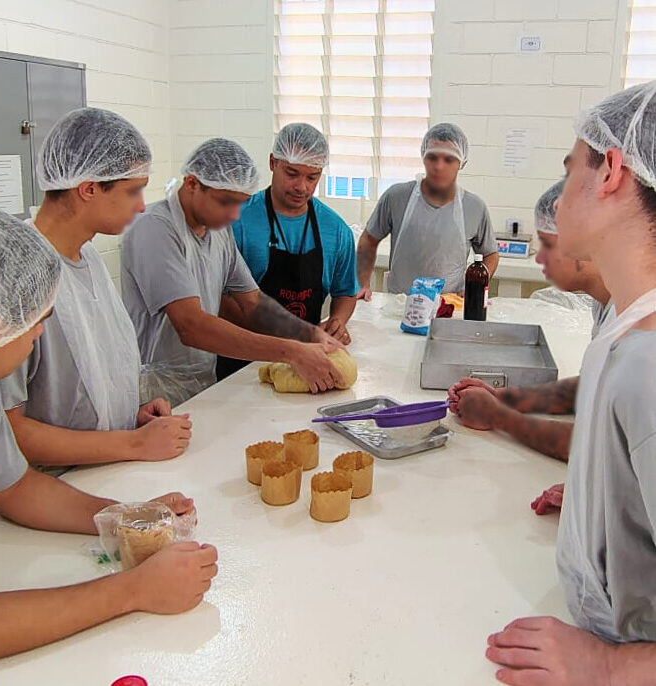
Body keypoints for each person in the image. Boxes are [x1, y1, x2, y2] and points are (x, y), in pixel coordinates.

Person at [0, 204, 217, 667]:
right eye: (35, 321)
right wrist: (130, 591)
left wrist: (129, 517)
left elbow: (14, 487)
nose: (41, 331)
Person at [487, 81, 656, 685]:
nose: (557, 201)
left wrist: (608, 666)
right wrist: (602, 506)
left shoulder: (649, 361)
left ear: (610, 171)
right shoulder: (628, 327)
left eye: (570, 167)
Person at [0, 108, 192, 468]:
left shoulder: (88, 257)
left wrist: (130, 416)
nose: (140, 206)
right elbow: (7, 432)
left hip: (106, 468)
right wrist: (133, 444)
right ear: (88, 189)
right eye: (133, 191)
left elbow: (85, 379)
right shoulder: (17, 273)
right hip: (48, 491)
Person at [121, 138, 345, 408]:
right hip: (154, 391)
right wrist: (291, 351)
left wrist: (309, 334)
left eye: (241, 203)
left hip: (202, 382)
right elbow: (191, 325)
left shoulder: (217, 231)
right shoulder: (155, 229)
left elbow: (254, 303)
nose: (235, 215)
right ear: (192, 184)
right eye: (226, 202)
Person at [447, 180, 613, 476]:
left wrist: (500, 416)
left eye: (549, 245)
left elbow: (601, 451)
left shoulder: (640, 326)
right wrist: (509, 397)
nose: (538, 257)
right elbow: (592, 385)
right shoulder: (606, 304)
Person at [229, 123, 359, 350]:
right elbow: (220, 300)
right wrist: (276, 334)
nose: (302, 187)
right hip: (244, 354)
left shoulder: (336, 230)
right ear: (272, 163)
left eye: (312, 177)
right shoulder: (237, 221)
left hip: (307, 354)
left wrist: (337, 321)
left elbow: (345, 292)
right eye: (292, 174)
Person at [356, 123, 499, 298]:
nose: (439, 166)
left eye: (449, 159)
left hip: (450, 306)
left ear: (462, 163)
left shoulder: (474, 207)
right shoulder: (397, 197)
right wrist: (362, 283)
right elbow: (368, 240)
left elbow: (490, 254)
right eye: (433, 157)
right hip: (400, 304)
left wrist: (475, 286)